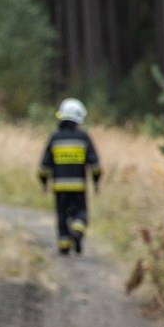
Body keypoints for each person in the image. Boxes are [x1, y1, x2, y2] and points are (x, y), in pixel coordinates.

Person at [37, 97, 102, 255]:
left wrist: (44, 183)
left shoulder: (55, 137)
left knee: (61, 215)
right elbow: (95, 164)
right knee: (80, 212)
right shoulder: (83, 137)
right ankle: (77, 231)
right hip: (79, 186)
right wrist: (96, 182)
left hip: (59, 186)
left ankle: (64, 246)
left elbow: (44, 166)